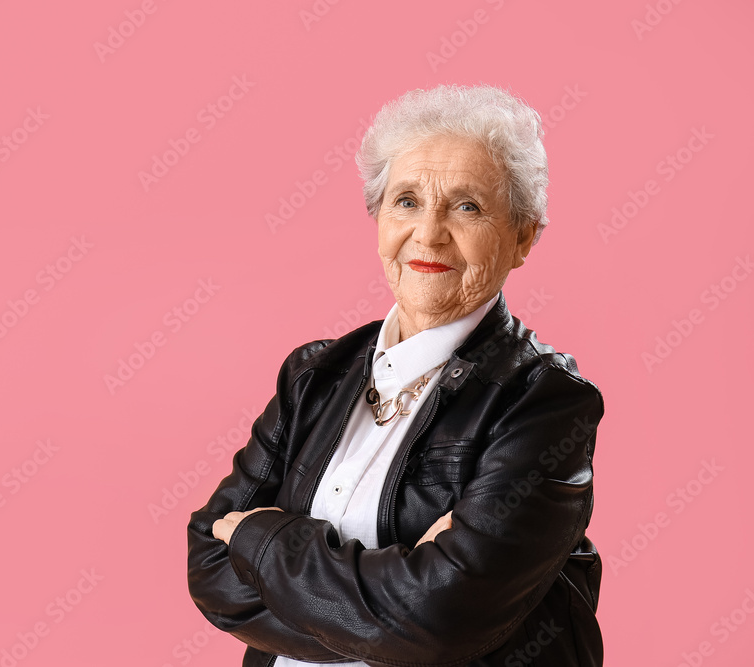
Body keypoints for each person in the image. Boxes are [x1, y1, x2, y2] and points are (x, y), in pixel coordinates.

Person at [186, 84, 604, 666]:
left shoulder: (544, 400)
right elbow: (207, 561)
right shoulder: (314, 375)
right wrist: (392, 602)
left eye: (468, 206)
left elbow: (441, 620)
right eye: (406, 200)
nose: (429, 233)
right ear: (379, 219)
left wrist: (264, 541)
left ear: (522, 237)